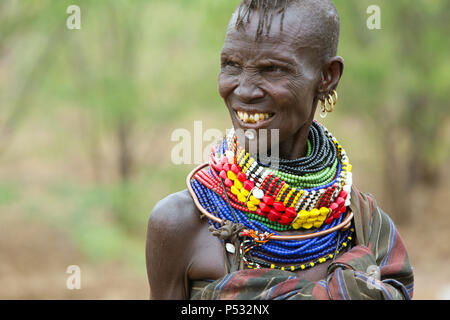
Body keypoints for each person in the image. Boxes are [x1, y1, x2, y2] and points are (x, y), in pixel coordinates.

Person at [146, 0, 414, 300]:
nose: (245, 90)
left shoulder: (364, 227)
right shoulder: (182, 223)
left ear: (327, 77)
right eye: (232, 65)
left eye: (272, 70)